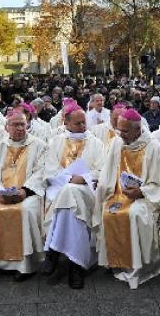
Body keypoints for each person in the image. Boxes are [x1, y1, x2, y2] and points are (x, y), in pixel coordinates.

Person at [94, 108, 160, 289]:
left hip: (144, 197)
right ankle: (114, 262)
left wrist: (142, 191)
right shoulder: (116, 143)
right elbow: (108, 172)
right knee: (108, 210)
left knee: (134, 213)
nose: (120, 134)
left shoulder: (154, 147)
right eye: (119, 130)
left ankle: (137, 266)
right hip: (118, 193)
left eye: (125, 131)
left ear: (138, 129)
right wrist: (104, 189)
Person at [0, 111, 47, 288]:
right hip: (1, 195)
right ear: (6, 127)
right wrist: (0, 192)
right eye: (15, 125)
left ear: (27, 125)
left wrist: (25, 191)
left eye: (22, 124)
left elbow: (41, 172)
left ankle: (23, 265)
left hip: (28, 194)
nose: (19, 128)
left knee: (24, 211)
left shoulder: (39, 145)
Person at [42, 104, 104, 289]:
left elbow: (102, 170)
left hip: (87, 191)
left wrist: (84, 178)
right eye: (77, 123)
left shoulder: (96, 143)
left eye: (84, 122)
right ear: (66, 123)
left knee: (71, 194)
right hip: (60, 189)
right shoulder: (55, 142)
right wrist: (70, 178)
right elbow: (50, 170)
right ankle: (76, 266)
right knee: (70, 200)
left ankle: (52, 252)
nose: (83, 126)